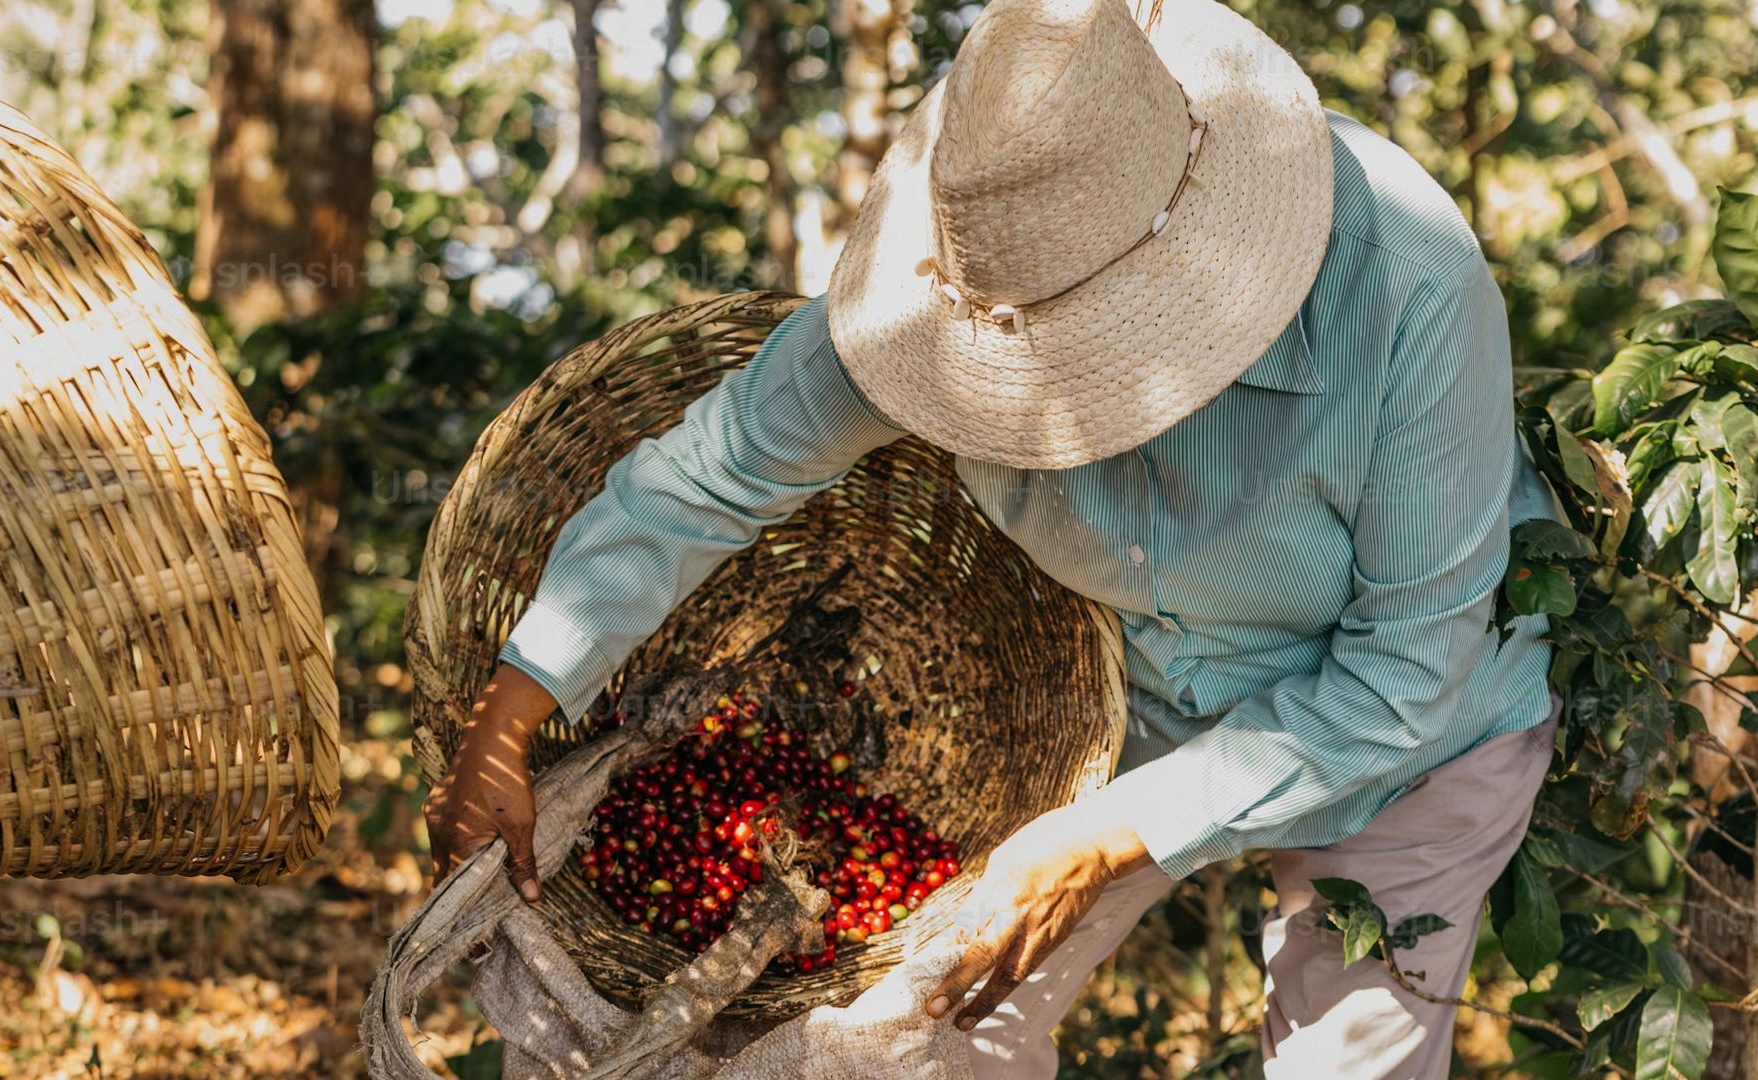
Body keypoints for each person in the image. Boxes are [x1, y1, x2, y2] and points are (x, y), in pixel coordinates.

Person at [425, 0, 1561, 1074]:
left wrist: (1112, 837)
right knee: (928, 1034)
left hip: (1425, 743)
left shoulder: (1408, 284)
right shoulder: (945, 284)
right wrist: (515, 710)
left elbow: (1409, 672)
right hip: (1135, 710)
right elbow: (714, 471)